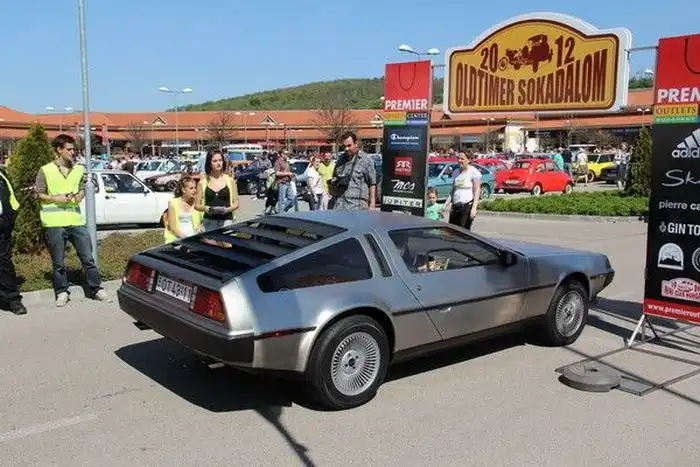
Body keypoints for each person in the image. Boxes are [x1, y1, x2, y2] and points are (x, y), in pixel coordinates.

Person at [35, 134, 105, 307]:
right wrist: (55, 198)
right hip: (54, 223)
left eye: (74, 149)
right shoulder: (45, 170)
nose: (73, 152)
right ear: (59, 150)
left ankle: (96, 289)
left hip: (75, 221)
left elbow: (81, 188)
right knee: (58, 262)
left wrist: (81, 194)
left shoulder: (78, 170)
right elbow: (38, 194)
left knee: (87, 258)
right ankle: (62, 292)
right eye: (69, 149)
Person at [0, 168, 27, 315]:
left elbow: (11, 199)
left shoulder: (2, 175)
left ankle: (12, 299)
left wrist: (10, 217)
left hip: (3, 226)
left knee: (4, 263)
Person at [330, 132, 377, 210]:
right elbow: (334, 177)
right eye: (344, 146)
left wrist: (372, 204)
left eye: (349, 145)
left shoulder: (366, 160)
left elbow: (372, 183)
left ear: (356, 143)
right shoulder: (340, 159)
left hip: (357, 206)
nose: (346, 149)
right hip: (339, 205)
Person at [194, 150, 239, 231]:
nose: (218, 163)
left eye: (220, 160)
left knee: (227, 239)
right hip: (209, 222)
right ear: (209, 163)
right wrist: (205, 208)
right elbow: (196, 205)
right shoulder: (202, 182)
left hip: (227, 221)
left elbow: (236, 203)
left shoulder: (230, 180)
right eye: (215, 161)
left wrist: (226, 210)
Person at [442, 152, 482, 230]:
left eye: (462, 159)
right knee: (452, 231)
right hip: (455, 206)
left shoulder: (474, 172)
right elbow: (453, 191)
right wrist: (444, 206)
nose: (459, 160)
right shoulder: (456, 172)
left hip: (466, 206)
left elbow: (477, 191)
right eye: (458, 158)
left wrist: (474, 208)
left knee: (463, 231)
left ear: (469, 160)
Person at [165, 177, 203, 243]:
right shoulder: (173, 203)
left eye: (195, 188)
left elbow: (202, 221)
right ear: (183, 190)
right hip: (177, 238)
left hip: (194, 237)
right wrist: (186, 238)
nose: (195, 190)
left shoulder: (197, 203)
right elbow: (172, 228)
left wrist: (200, 227)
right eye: (191, 188)